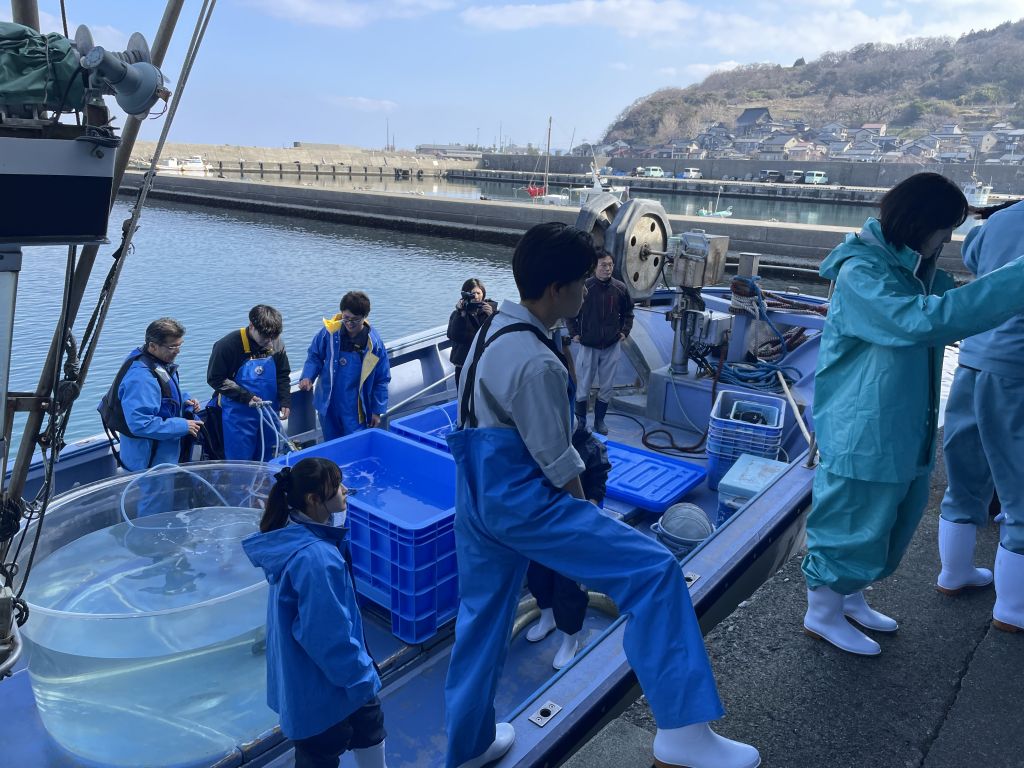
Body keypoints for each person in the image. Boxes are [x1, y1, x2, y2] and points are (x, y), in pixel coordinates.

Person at [444, 222, 758, 768]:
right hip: (524, 504)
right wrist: (588, 513)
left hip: (475, 499)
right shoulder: (538, 362)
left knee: (480, 622)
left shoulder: (491, 332)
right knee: (655, 573)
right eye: (582, 283)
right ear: (556, 290)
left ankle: (469, 745)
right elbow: (558, 461)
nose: (587, 291)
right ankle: (683, 735)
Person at [801, 173, 1024, 657]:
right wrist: (1016, 277)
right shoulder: (863, 272)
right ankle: (822, 612)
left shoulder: (906, 269)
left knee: (886, 520)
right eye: (945, 228)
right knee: (850, 519)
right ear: (921, 222)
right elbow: (922, 320)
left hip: (899, 424)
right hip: (863, 427)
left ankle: (850, 598)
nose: (947, 239)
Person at [242, 458, 387, 768]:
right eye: (336, 486)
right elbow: (326, 636)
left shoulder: (290, 535)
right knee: (322, 752)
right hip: (326, 684)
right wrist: (362, 677)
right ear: (313, 499)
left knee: (368, 724)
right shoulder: (316, 559)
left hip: (313, 679)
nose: (345, 490)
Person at [937, 198, 1024, 633]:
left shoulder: (1000, 220)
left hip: (972, 359)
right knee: (1019, 493)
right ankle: (1013, 608)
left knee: (963, 479)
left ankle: (953, 573)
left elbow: (973, 259)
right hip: (1016, 370)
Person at [525, 424, 612, 670]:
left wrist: (584, 516)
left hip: (575, 531)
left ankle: (570, 639)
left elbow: (597, 487)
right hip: (543, 526)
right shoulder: (538, 440)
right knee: (538, 576)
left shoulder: (592, 447)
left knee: (570, 587)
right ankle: (547, 617)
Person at [99, 317, 202, 472]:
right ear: (153, 346)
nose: (178, 351)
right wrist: (182, 425)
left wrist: (184, 400)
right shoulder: (141, 379)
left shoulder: (155, 362)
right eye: (172, 347)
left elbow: (162, 393)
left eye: (180, 345)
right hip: (148, 461)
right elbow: (140, 424)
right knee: (154, 489)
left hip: (162, 454)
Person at [299, 291, 391, 442]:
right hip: (328, 403)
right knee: (332, 443)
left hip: (356, 408)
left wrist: (377, 410)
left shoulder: (374, 345)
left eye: (355, 319)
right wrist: (307, 377)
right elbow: (314, 355)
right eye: (346, 318)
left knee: (356, 444)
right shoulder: (328, 333)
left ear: (365, 317)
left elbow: (381, 379)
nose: (349, 323)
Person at [207, 305, 291, 461]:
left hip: (269, 413)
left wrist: (285, 400)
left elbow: (282, 374)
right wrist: (246, 397)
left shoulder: (276, 342)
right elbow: (215, 378)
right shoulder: (226, 346)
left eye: (273, 337)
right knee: (240, 461)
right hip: (238, 416)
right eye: (265, 337)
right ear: (252, 326)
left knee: (270, 456)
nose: (270, 342)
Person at [568, 251, 634, 435]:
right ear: (595, 267)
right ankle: (581, 421)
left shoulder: (620, 288)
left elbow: (628, 312)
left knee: (606, 386)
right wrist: (574, 333)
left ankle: (599, 421)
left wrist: (624, 331)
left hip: (611, 345)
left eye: (610, 265)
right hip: (588, 345)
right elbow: (570, 313)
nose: (607, 269)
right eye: (603, 265)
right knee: (583, 386)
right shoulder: (585, 287)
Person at [446, 278, 497, 388]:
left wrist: (492, 317)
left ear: (483, 294)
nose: (476, 296)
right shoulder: (458, 314)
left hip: (484, 364)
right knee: (463, 395)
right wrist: (461, 315)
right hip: (463, 365)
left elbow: (499, 336)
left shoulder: (491, 311)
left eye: (478, 293)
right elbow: (453, 336)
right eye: (472, 293)